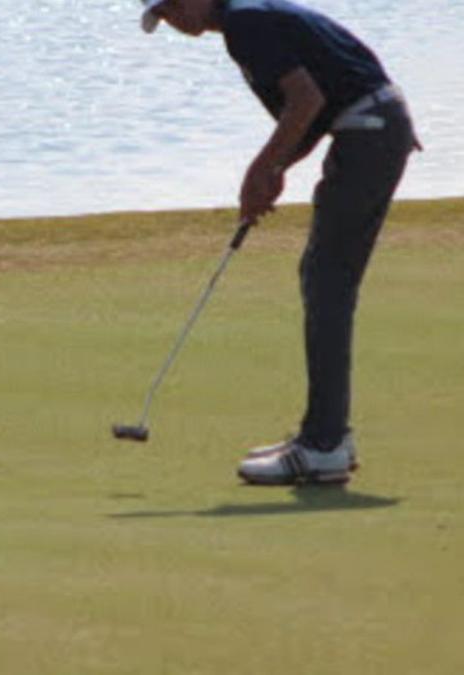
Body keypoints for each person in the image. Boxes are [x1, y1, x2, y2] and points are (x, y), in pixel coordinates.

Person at [137, 0, 419, 485]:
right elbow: (313, 109)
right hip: (371, 127)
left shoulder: (245, 22)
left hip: (369, 132)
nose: (174, 20)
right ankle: (326, 436)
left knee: (326, 282)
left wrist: (260, 170)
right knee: (322, 279)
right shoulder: (246, 21)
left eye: (174, 6)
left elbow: (306, 101)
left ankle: (324, 444)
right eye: (163, 15)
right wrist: (276, 169)